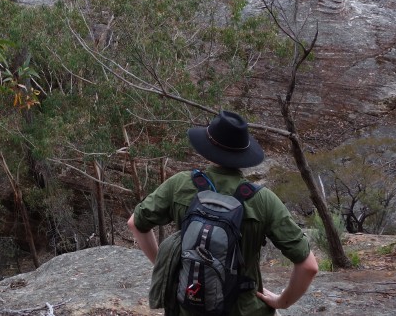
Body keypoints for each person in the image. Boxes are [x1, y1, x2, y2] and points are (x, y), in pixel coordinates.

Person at [127, 110, 319, 315]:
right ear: (244, 154)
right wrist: (282, 301)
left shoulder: (180, 184)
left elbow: (135, 223)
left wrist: (168, 267)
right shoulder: (264, 200)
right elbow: (308, 266)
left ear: (208, 148)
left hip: (188, 305)